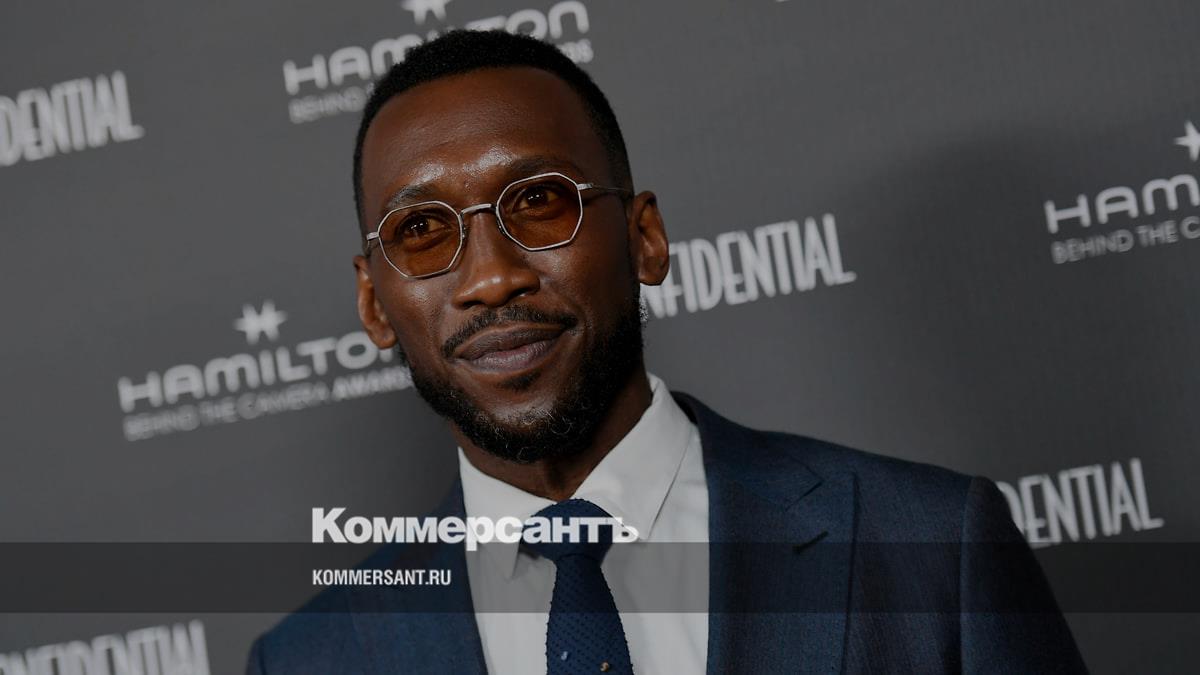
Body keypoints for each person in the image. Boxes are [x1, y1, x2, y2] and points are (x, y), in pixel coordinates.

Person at [246, 29, 1087, 674]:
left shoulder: (931, 551)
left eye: (539, 202)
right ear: (374, 304)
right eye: (423, 230)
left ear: (644, 237)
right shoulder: (309, 661)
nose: (492, 277)